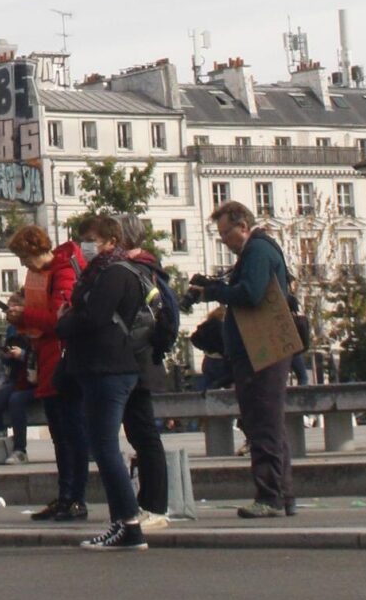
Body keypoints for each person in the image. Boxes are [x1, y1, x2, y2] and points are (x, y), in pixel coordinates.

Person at [188, 201, 299, 519]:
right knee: (270, 424)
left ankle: (269, 496)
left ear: (243, 226)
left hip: (261, 349)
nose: (224, 239)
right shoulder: (258, 251)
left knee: (261, 422)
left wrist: (213, 293)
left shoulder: (258, 251)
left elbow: (250, 293)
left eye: (226, 232)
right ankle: (282, 494)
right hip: (260, 348)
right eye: (220, 233)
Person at [58, 211, 150, 551]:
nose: (86, 245)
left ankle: (128, 524)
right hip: (104, 366)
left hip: (108, 367)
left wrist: (65, 321)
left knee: (106, 448)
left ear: (111, 241)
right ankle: (122, 523)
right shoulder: (104, 272)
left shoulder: (113, 274)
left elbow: (94, 318)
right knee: (103, 446)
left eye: (92, 238)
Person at [10, 222, 88, 521]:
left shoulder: (63, 272)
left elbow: (59, 319)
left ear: (35, 249)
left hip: (62, 361)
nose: (23, 263)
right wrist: (22, 314)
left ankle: (74, 496)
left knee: (70, 433)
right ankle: (66, 495)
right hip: (49, 359)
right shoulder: (45, 273)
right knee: (61, 433)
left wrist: (25, 314)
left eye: (23, 256)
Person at [117, 214, 178, 523]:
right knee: (141, 433)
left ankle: (155, 505)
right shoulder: (150, 268)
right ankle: (151, 502)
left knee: (144, 434)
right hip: (146, 359)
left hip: (137, 359)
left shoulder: (135, 271)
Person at [0, 312, 32, 461]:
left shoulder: (33, 329)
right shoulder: (11, 330)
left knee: (16, 400)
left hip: (33, 381)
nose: (10, 310)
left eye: (14, 306)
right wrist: (7, 356)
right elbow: (8, 364)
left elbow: (37, 355)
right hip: (17, 379)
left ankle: (20, 448)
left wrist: (22, 354)